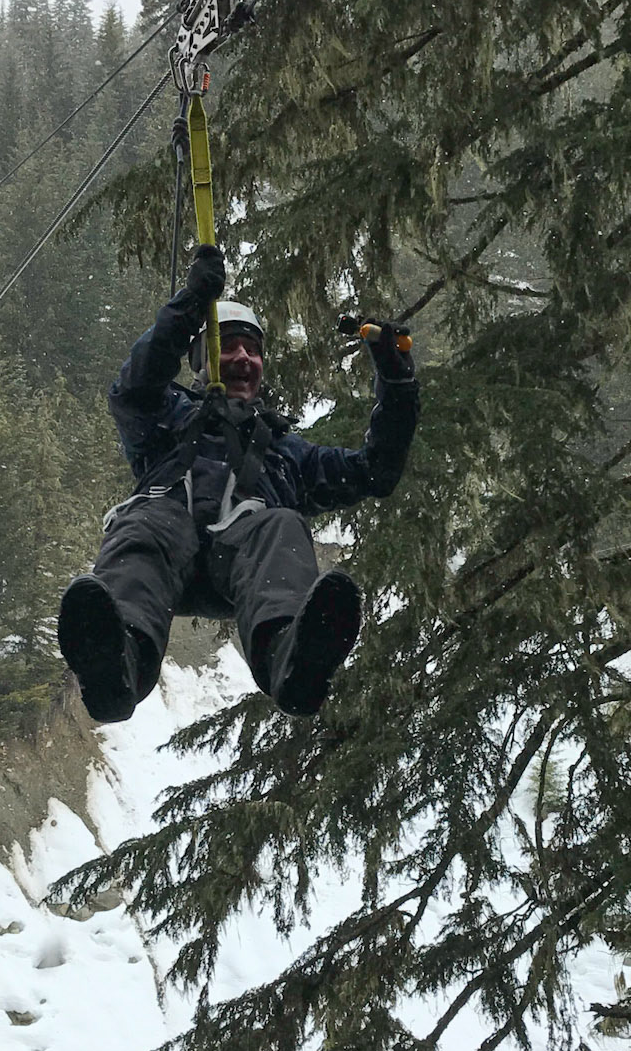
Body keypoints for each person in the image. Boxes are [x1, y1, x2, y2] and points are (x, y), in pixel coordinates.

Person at [58, 243, 419, 722]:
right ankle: (120, 664)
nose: (244, 357)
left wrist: (396, 387)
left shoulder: (286, 451)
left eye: (252, 349)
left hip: (247, 566)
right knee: (145, 523)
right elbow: (136, 385)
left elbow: (377, 470)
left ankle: (289, 657)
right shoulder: (166, 417)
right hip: (167, 550)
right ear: (200, 358)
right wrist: (191, 303)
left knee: (280, 524)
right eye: (228, 345)